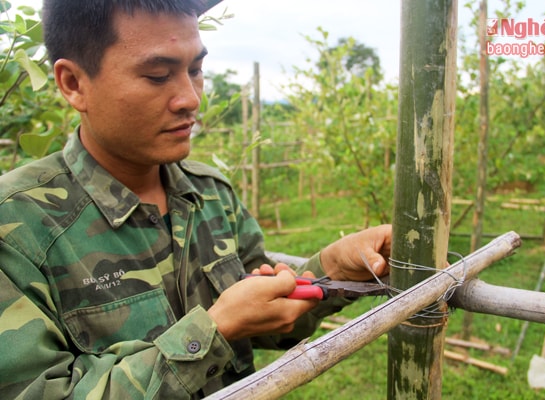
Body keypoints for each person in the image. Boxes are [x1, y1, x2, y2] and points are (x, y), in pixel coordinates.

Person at [0, 0, 392, 398]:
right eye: (157, 75)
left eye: (195, 70)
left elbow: (266, 313)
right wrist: (214, 330)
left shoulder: (209, 193)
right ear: (73, 83)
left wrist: (332, 268)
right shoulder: (16, 227)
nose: (190, 98)